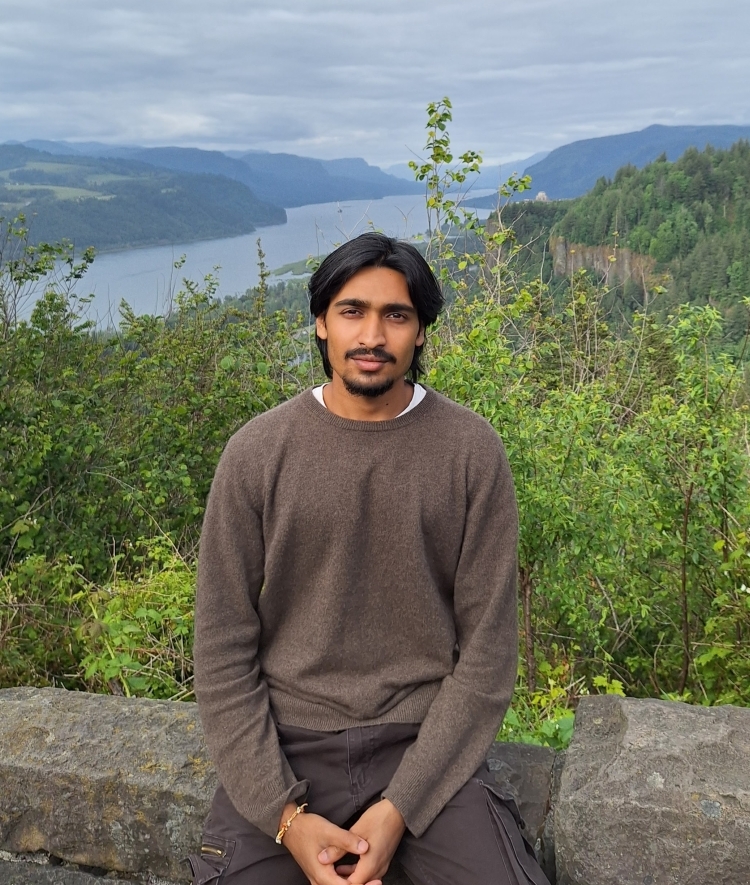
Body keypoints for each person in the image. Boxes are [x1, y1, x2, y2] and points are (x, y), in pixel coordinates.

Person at [190, 232, 550, 885]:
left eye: (397, 314)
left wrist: (400, 807)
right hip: (288, 740)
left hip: (424, 742)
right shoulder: (256, 454)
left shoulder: (470, 452)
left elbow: (488, 658)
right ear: (322, 323)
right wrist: (284, 816)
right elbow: (221, 653)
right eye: (353, 311)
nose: (373, 333)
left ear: (420, 331)